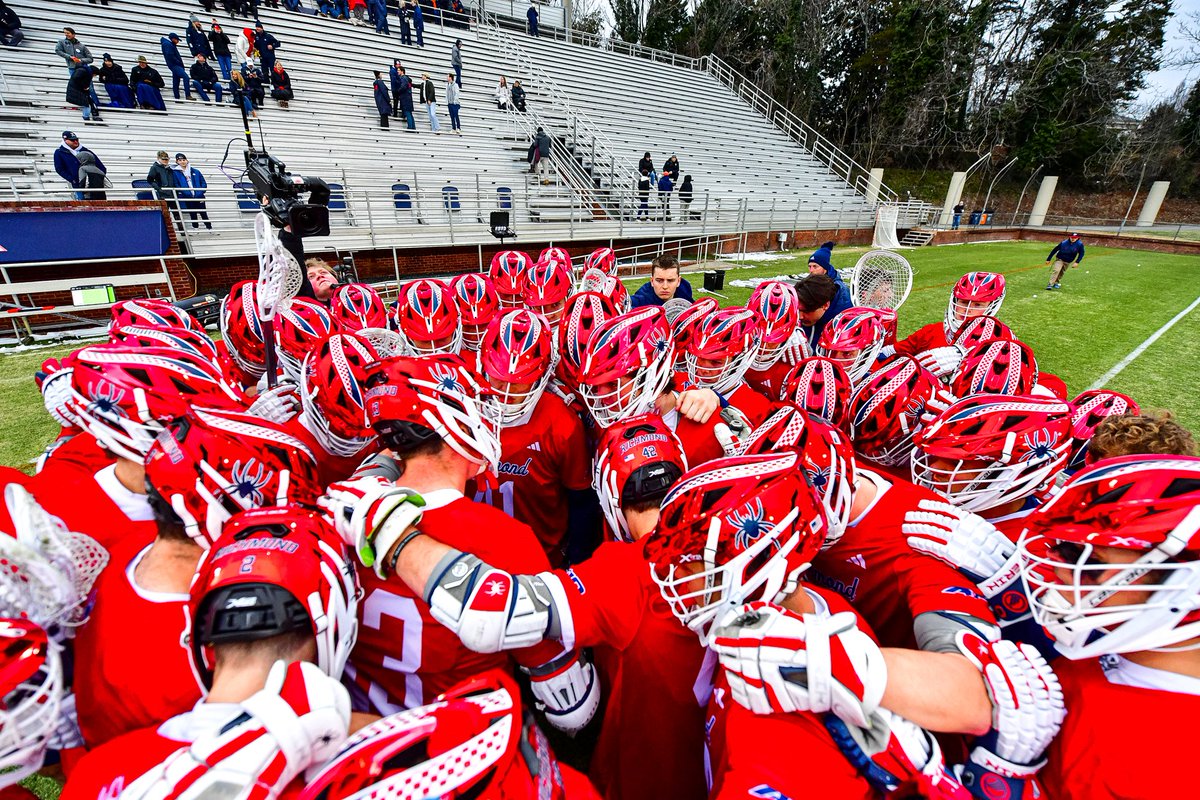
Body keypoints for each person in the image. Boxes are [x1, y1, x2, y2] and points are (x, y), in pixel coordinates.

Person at [795, 273, 849, 349]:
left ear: (825, 305)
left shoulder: (845, 322)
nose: (800, 316)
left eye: (807, 311)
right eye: (798, 310)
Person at [55, 131, 106, 200]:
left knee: (99, 204)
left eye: (77, 139)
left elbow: (101, 167)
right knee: (83, 205)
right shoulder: (59, 153)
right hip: (77, 185)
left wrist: (98, 178)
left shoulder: (86, 151)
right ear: (65, 140)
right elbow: (59, 169)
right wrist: (73, 180)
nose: (75, 141)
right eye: (72, 140)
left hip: (94, 185)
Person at [629, 253, 693, 308]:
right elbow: (630, 303)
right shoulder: (643, 299)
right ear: (652, 281)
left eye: (670, 280)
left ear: (678, 281)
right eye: (659, 280)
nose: (665, 286)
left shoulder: (685, 292)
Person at [172, 153, 211, 230]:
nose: (182, 162)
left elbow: (203, 183)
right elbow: (176, 184)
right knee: (192, 213)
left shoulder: (196, 171)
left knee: (203, 213)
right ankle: (195, 228)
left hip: (199, 196)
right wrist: (185, 192)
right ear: (177, 162)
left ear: (187, 160)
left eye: (184, 160)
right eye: (180, 160)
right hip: (188, 197)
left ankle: (209, 228)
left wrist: (200, 192)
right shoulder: (175, 173)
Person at [159, 32, 191, 100]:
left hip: (174, 65)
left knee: (176, 81)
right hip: (175, 65)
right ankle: (188, 95)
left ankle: (177, 97)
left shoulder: (169, 44)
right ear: (173, 39)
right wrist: (178, 62)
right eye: (177, 40)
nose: (178, 42)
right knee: (186, 77)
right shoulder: (168, 44)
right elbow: (170, 55)